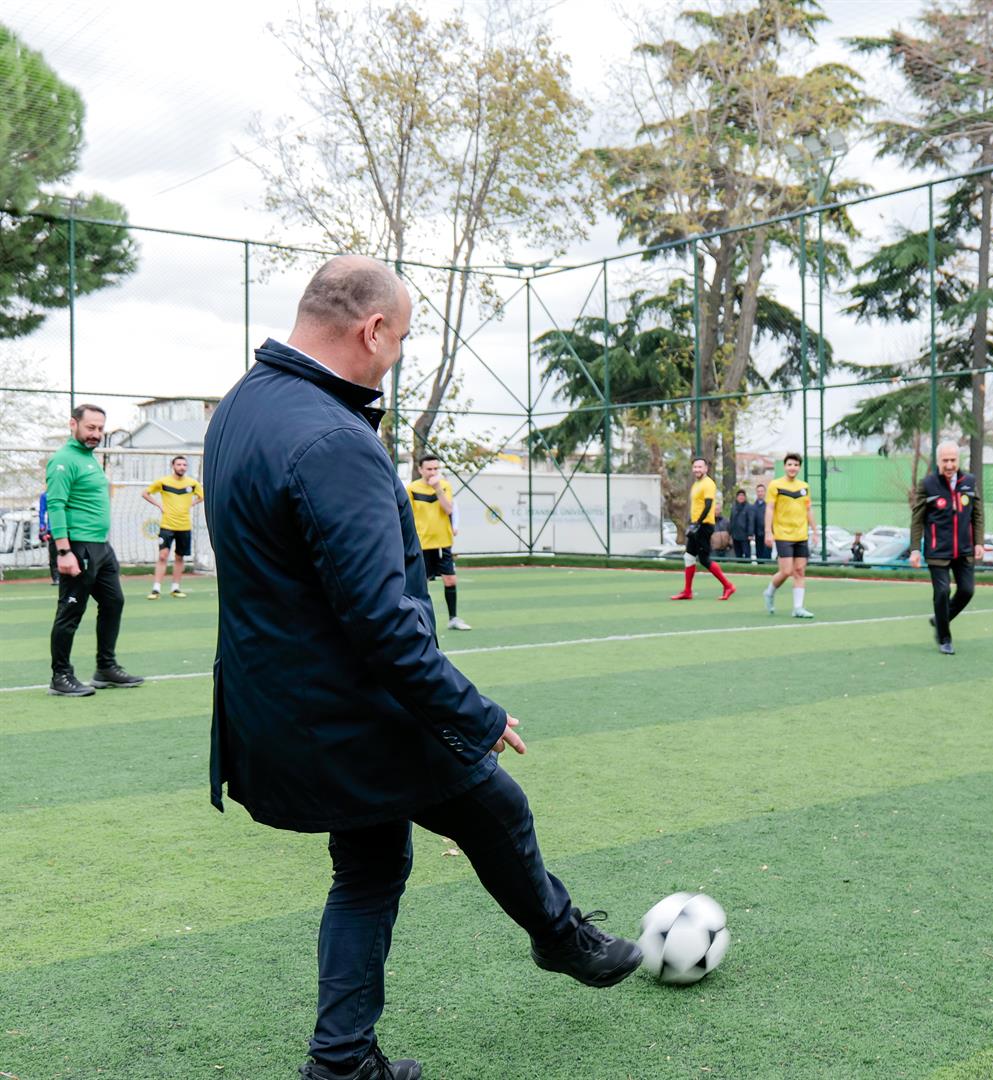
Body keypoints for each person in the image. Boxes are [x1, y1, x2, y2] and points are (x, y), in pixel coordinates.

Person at [205, 257, 640, 1080]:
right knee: (496, 808)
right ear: (371, 330)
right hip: (353, 713)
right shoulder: (335, 439)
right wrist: (471, 713)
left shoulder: (240, 407)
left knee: (370, 865)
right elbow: (384, 623)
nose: (396, 356)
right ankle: (560, 938)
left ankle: (341, 1062)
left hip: (279, 707)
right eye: (399, 339)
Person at [45, 403, 144, 697]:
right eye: (90, 427)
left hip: (101, 546)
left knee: (114, 602)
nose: (96, 434)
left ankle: (105, 668)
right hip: (77, 546)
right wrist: (63, 551)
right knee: (71, 611)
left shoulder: (90, 459)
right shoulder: (63, 460)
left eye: (100, 429)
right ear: (72, 424)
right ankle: (60, 676)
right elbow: (56, 505)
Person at [908, 441, 984, 655]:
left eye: (953, 460)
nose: (949, 465)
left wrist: (979, 542)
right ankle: (944, 638)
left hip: (964, 549)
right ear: (938, 461)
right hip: (937, 550)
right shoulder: (928, 484)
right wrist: (915, 549)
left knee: (967, 591)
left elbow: (977, 514)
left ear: (958, 460)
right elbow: (917, 518)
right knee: (942, 592)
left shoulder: (969, 481)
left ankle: (940, 619)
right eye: (945, 461)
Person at [406, 454, 471, 630]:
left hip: (443, 542)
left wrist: (437, 488)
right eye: (429, 469)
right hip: (422, 543)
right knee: (421, 584)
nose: (433, 472)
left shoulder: (444, 486)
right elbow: (408, 516)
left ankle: (453, 619)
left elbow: (448, 509)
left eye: (436, 468)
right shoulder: (411, 488)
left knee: (450, 580)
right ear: (420, 469)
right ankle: (419, 621)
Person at [670, 457, 735, 601]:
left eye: (700, 467)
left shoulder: (708, 484)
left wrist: (697, 523)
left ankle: (728, 585)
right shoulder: (696, 484)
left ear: (706, 469)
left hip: (704, 526)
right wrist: (692, 523)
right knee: (689, 557)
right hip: (697, 525)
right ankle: (687, 591)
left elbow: (708, 505)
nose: (697, 470)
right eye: (695, 467)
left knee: (704, 559)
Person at [142, 454, 205, 599]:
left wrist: (191, 504)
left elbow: (202, 496)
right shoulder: (163, 482)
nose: (182, 467)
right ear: (173, 466)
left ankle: (175, 588)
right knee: (163, 556)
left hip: (184, 526)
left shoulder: (192, 483)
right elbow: (145, 493)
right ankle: (156, 588)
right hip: (167, 525)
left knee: (179, 557)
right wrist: (159, 505)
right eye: (179, 465)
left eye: (184, 465)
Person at [763, 452, 816, 618]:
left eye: (796, 465)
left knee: (800, 571)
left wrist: (815, 531)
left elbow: (808, 509)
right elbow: (770, 509)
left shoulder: (804, 487)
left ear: (799, 467)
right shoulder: (775, 485)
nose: (792, 468)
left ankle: (798, 608)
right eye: (789, 465)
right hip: (783, 534)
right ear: (785, 466)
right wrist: (768, 532)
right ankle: (770, 592)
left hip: (801, 535)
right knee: (786, 571)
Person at [37, 489, 59, 585]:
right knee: (54, 554)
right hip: (52, 529)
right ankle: (56, 578)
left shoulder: (66, 491)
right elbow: (42, 512)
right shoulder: (45, 495)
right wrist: (42, 528)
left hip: (68, 528)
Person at [730, 489, 754, 561]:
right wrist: (730, 532)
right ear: (737, 497)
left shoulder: (748, 507)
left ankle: (747, 568)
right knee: (738, 554)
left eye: (743, 495)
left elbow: (751, 521)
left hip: (745, 536)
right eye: (739, 495)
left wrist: (750, 533)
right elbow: (731, 519)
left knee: (747, 553)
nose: (741, 497)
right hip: (735, 535)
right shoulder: (734, 507)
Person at [752, 482, 770, 561]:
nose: (760, 493)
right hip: (758, 534)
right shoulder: (753, 507)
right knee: (759, 554)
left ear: (765, 492)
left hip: (768, 534)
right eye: (758, 491)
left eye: (762, 491)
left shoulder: (769, 506)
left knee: (767, 554)